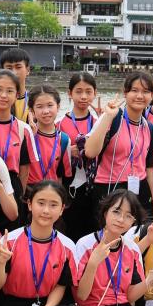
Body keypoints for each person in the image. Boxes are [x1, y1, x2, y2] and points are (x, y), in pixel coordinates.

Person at [85, 71, 153, 214]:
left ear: (152, 95)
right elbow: (90, 152)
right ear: (125, 93)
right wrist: (108, 116)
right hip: (109, 188)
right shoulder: (112, 118)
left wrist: (152, 207)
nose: (140, 96)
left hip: (139, 190)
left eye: (145, 91)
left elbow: (149, 170)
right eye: (134, 90)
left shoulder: (150, 129)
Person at [0, 69, 32, 223]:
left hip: (12, 188)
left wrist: (19, 194)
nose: (3, 95)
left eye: (9, 91)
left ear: (16, 95)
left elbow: (24, 168)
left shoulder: (23, 129)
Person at [59, 72, 99, 236]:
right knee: (70, 226)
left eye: (88, 92)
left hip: (94, 183)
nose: (83, 96)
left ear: (95, 93)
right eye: (78, 91)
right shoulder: (59, 124)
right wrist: (68, 151)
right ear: (70, 93)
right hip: (69, 184)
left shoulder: (99, 123)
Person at [24, 85, 73, 187]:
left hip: (52, 191)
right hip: (28, 191)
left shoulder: (63, 139)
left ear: (58, 107)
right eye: (39, 106)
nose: (46, 111)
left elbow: (61, 175)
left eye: (50, 105)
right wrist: (29, 137)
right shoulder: (25, 134)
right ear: (32, 111)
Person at [0, 48, 32, 119]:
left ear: (28, 70)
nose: (13, 72)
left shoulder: (34, 101)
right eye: (9, 68)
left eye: (18, 67)